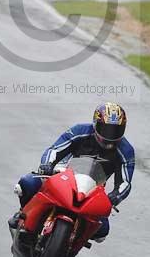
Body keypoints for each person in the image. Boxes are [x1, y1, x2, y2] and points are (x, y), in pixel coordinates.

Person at [9, 102, 135, 242]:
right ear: (95, 124)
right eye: (105, 129)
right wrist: (47, 165)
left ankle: (73, 242)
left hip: (93, 190)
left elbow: (125, 182)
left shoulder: (126, 150)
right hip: (63, 176)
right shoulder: (79, 131)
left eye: (115, 131)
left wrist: (114, 197)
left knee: (102, 231)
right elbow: (55, 149)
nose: (110, 136)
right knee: (27, 183)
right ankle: (22, 213)